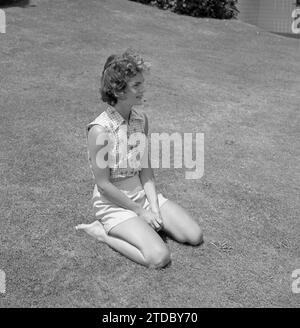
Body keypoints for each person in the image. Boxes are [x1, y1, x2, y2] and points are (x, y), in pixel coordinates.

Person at [75, 48, 203, 269]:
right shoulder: (100, 131)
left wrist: (153, 205)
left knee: (194, 235)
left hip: (142, 194)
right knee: (159, 258)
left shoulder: (140, 120)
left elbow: (145, 170)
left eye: (142, 83)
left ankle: (146, 223)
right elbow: (103, 185)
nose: (143, 89)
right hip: (113, 203)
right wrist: (140, 212)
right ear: (118, 90)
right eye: (137, 85)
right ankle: (101, 232)